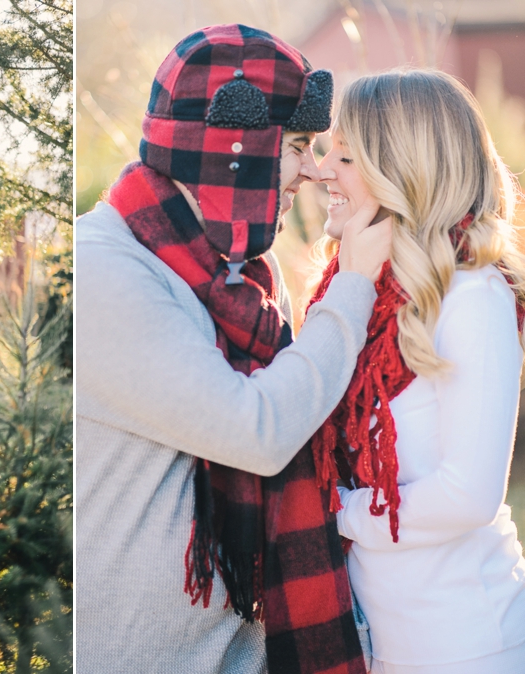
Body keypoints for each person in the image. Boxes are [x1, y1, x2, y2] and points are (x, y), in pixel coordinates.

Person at [76, 24, 391, 674]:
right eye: (298, 145)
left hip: (233, 654)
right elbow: (258, 429)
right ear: (234, 150)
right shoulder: (105, 270)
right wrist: (354, 286)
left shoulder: (229, 279)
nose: (312, 169)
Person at [310, 69, 525, 674]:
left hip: (467, 644)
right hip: (379, 641)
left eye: (345, 155)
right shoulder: (357, 297)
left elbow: (468, 495)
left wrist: (336, 512)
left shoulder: (473, 297)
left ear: (402, 171)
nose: (323, 170)